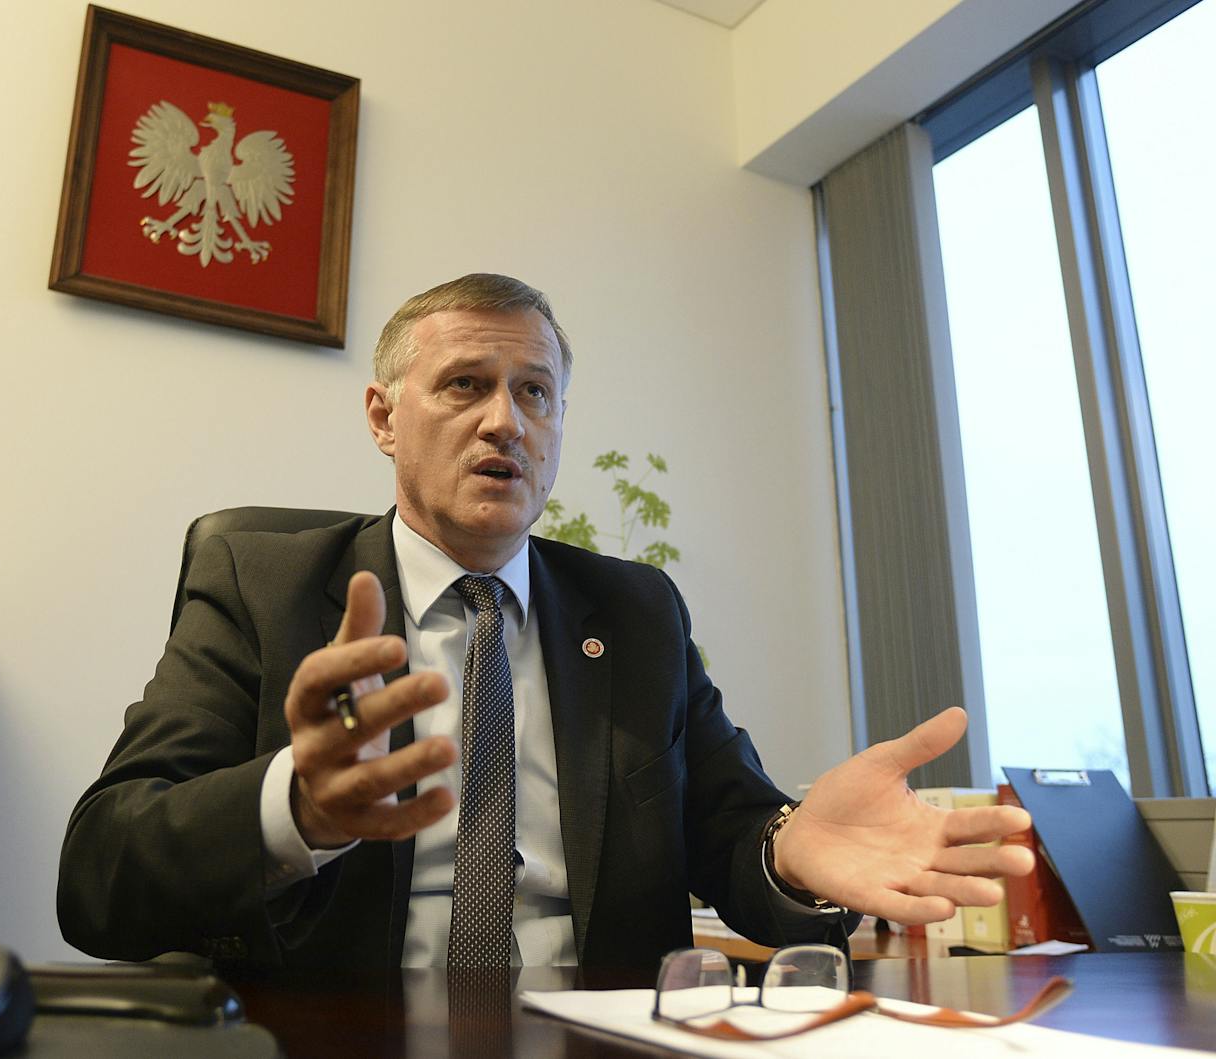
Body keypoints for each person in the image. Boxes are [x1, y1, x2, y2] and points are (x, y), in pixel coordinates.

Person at [57, 274, 1034, 970]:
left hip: (597, 1034)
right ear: (381, 416)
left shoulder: (633, 612)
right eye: (463, 386)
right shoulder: (264, 584)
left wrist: (787, 850)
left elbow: (732, 831)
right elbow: (100, 875)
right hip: (346, 1028)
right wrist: (294, 809)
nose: (504, 423)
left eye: (534, 393)